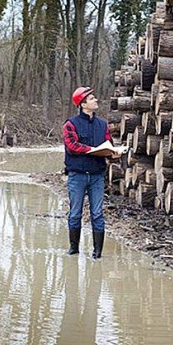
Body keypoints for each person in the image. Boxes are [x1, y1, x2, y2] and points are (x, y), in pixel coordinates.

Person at [62, 87, 119, 259]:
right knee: (75, 213)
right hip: (77, 175)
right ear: (83, 104)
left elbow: (108, 144)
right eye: (92, 98)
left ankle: (97, 252)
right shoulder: (70, 124)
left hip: (96, 175)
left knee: (97, 213)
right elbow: (72, 146)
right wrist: (92, 150)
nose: (96, 100)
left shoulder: (103, 125)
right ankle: (74, 249)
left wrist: (114, 153)